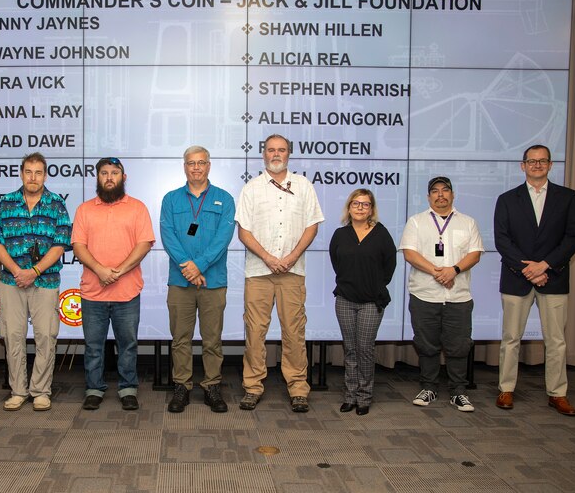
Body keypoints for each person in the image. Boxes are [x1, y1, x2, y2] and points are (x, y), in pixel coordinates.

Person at [235, 133, 324, 413]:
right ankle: (252, 386)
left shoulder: (304, 186)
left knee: (294, 332)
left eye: (281, 150)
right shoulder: (251, 188)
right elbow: (243, 231)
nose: (276, 154)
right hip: (259, 271)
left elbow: (312, 226)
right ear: (263, 154)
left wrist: (291, 256)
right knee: (255, 331)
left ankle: (298, 388)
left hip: (293, 271)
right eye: (271, 150)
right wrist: (269, 258)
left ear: (289, 154)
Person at [494, 144, 575, 416]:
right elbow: (502, 240)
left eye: (542, 161)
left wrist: (544, 266)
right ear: (523, 166)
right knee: (511, 338)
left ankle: (558, 393)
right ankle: (506, 389)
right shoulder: (507, 199)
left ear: (550, 165)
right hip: (516, 279)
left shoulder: (568, 197)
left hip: (553, 278)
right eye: (531, 161)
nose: (536, 165)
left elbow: (572, 238)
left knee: (556, 340)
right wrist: (528, 270)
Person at [0, 153, 72, 412]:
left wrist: (33, 271)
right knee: (12, 336)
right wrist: (17, 271)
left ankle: (40, 391)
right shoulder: (6, 204)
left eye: (38, 172)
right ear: (21, 173)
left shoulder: (56, 204)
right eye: (28, 172)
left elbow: (60, 246)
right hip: (11, 281)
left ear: (45, 175)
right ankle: (18, 391)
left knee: (46, 336)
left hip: (45, 281)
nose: (33, 177)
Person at [72, 157, 154, 411]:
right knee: (93, 346)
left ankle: (128, 388)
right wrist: (99, 270)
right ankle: (94, 388)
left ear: (123, 177)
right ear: (97, 177)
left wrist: (118, 272)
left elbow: (144, 243)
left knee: (128, 345)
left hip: (127, 292)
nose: (109, 177)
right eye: (104, 173)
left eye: (115, 172)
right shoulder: (84, 209)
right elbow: (78, 246)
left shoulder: (137, 208)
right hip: (92, 292)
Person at [160, 146, 236, 413]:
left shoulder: (224, 199)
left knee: (212, 338)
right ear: (184, 167)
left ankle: (211, 386)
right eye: (191, 163)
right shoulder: (170, 199)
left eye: (201, 162)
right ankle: (182, 386)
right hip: (180, 281)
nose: (196, 167)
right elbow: (167, 236)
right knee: (180, 338)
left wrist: (200, 265)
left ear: (209, 166)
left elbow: (223, 239)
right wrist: (188, 268)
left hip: (213, 281)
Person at [399, 176, 483, 412]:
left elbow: (474, 254)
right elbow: (409, 253)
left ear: (453, 195)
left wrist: (453, 270)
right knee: (426, 345)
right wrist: (438, 272)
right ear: (429, 197)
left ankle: (458, 391)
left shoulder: (468, 223)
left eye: (445, 190)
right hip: (424, 295)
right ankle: (429, 387)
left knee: (459, 346)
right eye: (435, 191)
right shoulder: (416, 222)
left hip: (458, 296)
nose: (440, 195)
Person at [329, 189, 397, 416]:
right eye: (355, 203)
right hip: (345, 300)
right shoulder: (340, 234)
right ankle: (350, 396)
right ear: (349, 207)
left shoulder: (381, 234)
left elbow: (389, 267)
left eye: (365, 204)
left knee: (364, 349)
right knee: (350, 349)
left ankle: (364, 397)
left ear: (371, 209)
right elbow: (337, 263)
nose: (360, 208)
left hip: (371, 301)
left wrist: (372, 285)